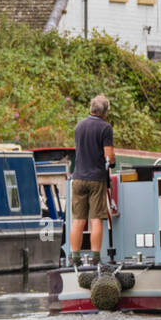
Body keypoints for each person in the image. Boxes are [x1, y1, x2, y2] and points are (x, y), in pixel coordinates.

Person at [69, 94, 115, 268]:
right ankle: (96, 258)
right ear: (105, 111)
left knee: (78, 220)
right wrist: (112, 161)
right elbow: (109, 156)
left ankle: (75, 258)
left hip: (78, 177)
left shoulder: (79, 126)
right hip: (96, 179)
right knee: (96, 219)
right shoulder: (105, 128)